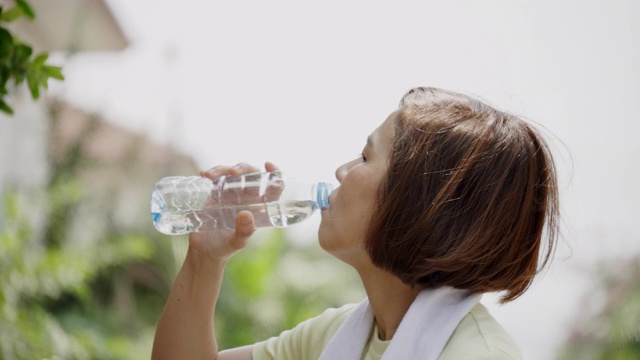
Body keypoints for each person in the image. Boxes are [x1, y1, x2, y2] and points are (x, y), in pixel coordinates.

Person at [151, 86, 559, 360]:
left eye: (365, 158)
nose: (341, 171)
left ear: (419, 202)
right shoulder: (336, 337)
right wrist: (205, 258)